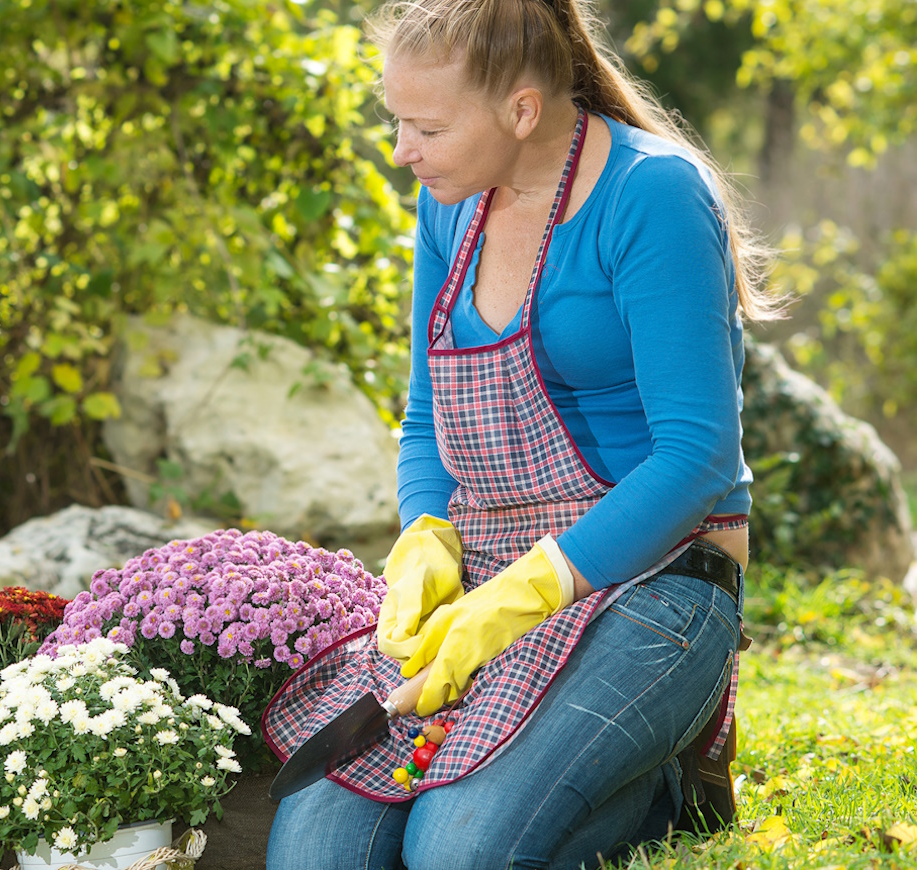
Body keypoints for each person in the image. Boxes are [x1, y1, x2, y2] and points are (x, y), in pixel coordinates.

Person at [264, 1, 778, 868]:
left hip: (657, 583)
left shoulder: (650, 194)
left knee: (455, 854)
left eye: (424, 126)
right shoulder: (450, 206)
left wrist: (533, 589)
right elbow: (428, 415)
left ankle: (662, 778)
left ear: (523, 110)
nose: (401, 149)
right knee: (318, 854)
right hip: (487, 579)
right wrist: (426, 533)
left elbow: (698, 456)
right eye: (397, 120)